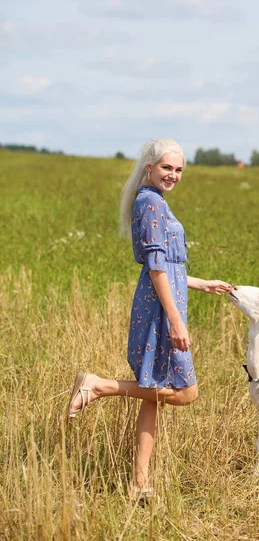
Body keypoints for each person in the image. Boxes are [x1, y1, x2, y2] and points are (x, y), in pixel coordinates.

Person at [67, 138, 231, 499]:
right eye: (167, 168)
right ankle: (98, 386)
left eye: (178, 170)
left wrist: (200, 283)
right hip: (160, 309)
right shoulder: (152, 203)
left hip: (160, 299)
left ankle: (138, 482)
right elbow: (156, 266)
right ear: (150, 168)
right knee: (186, 392)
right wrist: (176, 321)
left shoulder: (151, 201)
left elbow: (165, 266)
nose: (173, 175)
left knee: (154, 394)